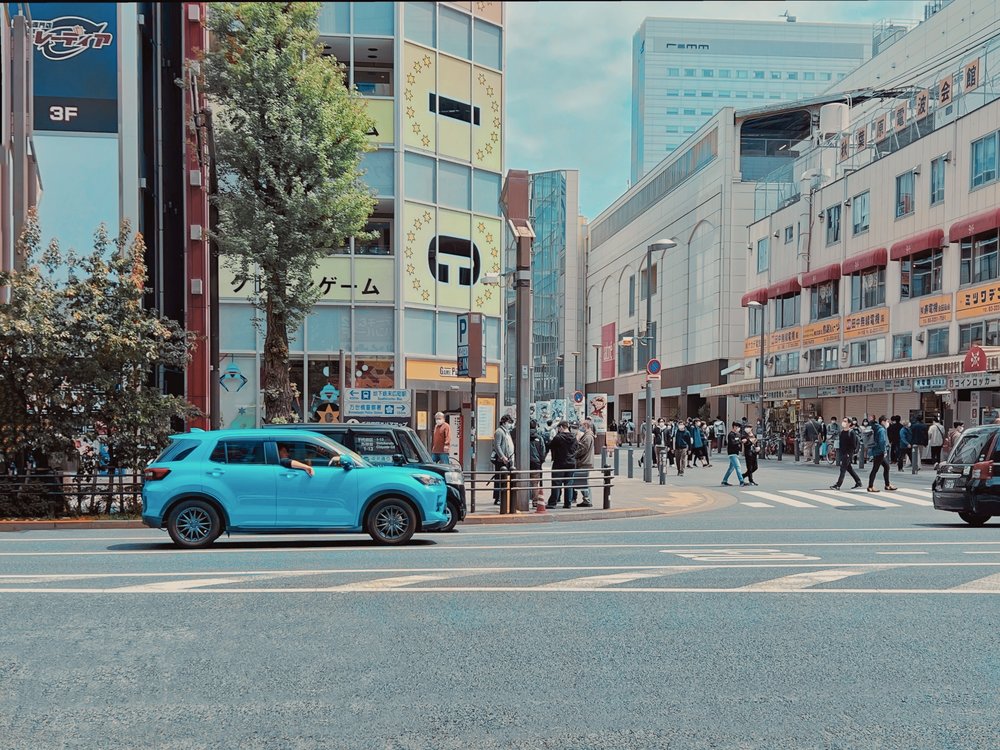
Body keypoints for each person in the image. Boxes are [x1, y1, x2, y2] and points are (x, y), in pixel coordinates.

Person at [546, 421, 577, 509]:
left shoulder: (558, 437)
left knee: (556, 483)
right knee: (569, 484)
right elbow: (576, 448)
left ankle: (552, 503)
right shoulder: (574, 437)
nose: (558, 430)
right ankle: (568, 503)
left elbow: (550, 446)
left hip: (559, 463)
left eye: (558, 428)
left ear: (561, 427)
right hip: (571, 463)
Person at [867, 415, 898, 493]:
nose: (888, 423)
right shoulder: (881, 430)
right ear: (883, 421)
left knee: (886, 467)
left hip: (877, 450)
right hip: (879, 451)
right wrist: (884, 451)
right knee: (875, 469)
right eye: (887, 421)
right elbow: (882, 441)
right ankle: (870, 486)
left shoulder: (878, 428)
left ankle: (887, 485)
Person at [830, 419, 863, 490]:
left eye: (845, 421)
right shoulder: (842, 432)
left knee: (843, 469)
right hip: (843, 453)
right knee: (849, 469)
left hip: (848, 453)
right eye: (843, 421)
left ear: (849, 423)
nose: (843, 422)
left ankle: (838, 485)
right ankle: (858, 482)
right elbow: (841, 443)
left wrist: (849, 453)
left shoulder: (851, 432)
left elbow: (853, 444)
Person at [492, 414, 515, 506]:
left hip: (508, 458)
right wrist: (502, 457)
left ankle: (503, 497)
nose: (510, 425)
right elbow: (497, 445)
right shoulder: (499, 431)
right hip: (502, 460)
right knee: (499, 479)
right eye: (509, 423)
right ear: (505, 422)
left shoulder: (506, 431)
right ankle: (498, 498)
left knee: (505, 478)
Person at [573, 420, 595, 508]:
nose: (581, 427)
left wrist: (575, 453)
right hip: (585, 461)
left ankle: (587, 499)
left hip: (584, 462)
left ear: (586, 426)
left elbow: (583, 449)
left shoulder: (588, 436)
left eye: (582, 425)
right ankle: (587, 499)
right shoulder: (587, 435)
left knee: (582, 481)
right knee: (583, 481)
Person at [722, 422, 748, 487]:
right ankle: (741, 481)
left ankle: (724, 480)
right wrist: (741, 441)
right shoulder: (731, 435)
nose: (738, 428)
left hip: (736, 453)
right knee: (738, 467)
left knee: (731, 468)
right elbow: (732, 443)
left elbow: (742, 438)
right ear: (733, 427)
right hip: (732, 453)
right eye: (736, 427)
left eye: (739, 427)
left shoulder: (738, 434)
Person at [528, 419, 547, 505]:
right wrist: (541, 460)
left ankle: (524, 499)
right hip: (536, 463)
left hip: (525, 462)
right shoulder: (539, 438)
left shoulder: (524, 436)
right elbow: (543, 451)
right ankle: (535, 501)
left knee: (523, 481)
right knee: (535, 483)